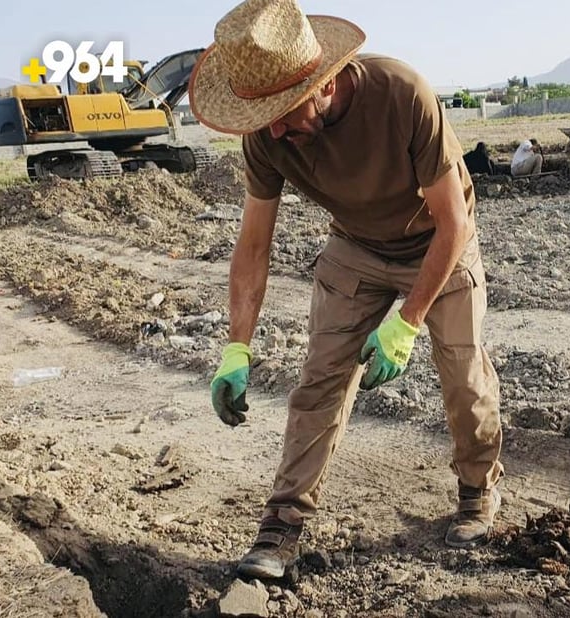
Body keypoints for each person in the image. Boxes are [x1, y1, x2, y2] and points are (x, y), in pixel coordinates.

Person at [189, 0, 505, 580]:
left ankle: (477, 490)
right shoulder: (266, 134)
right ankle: (281, 524)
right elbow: (253, 244)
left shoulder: (402, 94)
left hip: (437, 239)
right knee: (321, 379)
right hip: (357, 247)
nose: (276, 129)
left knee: (462, 370)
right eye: (266, 117)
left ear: (327, 81)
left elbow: (453, 222)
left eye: (287, 110)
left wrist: (407, 322)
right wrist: (236, 348)